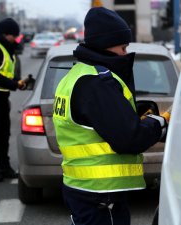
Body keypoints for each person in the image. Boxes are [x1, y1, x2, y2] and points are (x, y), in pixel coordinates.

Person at [53, 7, 169, 225]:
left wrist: (130, 115)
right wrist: (159, 123)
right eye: (123, 47)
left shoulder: (76, 75)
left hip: (83, 188)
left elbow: (97, 122)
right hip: (101, 193)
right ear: (106, 43)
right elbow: (128, 138)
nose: (125, 53)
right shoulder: (98, 82)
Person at [0, 18, 27, 182]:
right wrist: (13, 83)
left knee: (4, 134)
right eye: (14, 36)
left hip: (2, 96)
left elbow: (7, 72)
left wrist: (18, 83)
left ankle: (4, 167)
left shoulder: (6, 48)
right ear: (6, 34)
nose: (16, 39)